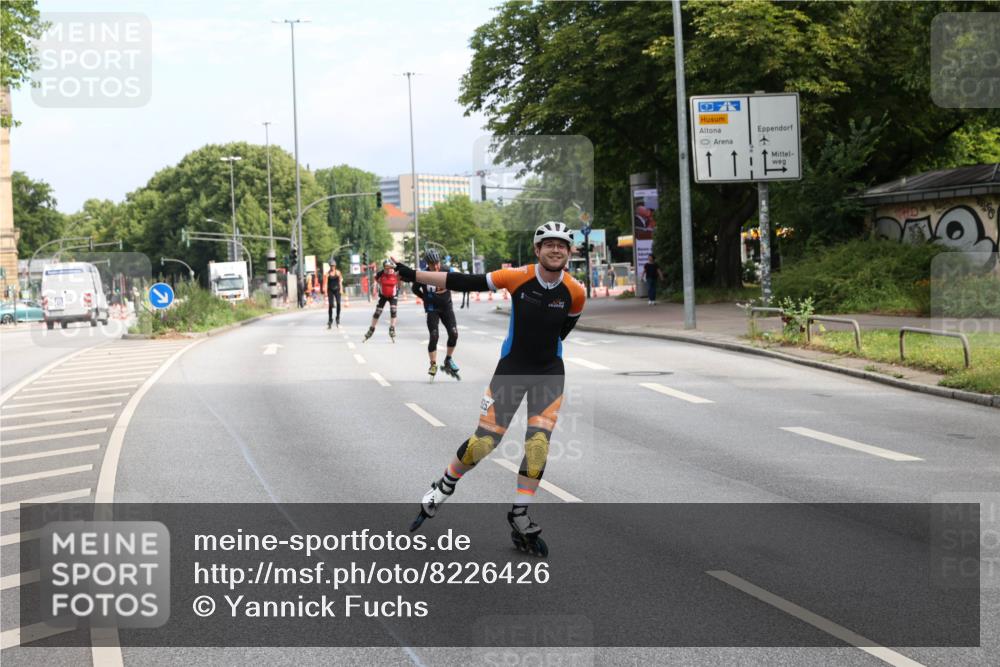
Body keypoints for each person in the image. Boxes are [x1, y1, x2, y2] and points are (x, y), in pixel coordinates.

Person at [395, 221, 586, 557]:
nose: (555, 249)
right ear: (537, 250)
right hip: (511, 370)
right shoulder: (518, 277)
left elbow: (562, 330)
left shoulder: (576, 292)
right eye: (549, 244)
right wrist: (414, 276)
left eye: (562, 245)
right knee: (484, 444)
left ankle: (520, 514)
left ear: (570, 253)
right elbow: (463, 281)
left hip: (549, 373)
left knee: (538, 444)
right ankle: (444, 486)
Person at [412, 248, 460, 381]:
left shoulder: (446, 270)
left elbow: (458, 281)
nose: (436, 266)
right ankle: (433, 364)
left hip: (446, 307)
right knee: (434, 335)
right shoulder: (423, 275)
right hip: (432, 308)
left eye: (438, 262)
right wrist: (424, 297)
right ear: (428, 264)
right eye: (433, 264)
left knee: (454, 333)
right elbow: (414, 288)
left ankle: (448, 360)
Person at [363, 260, 399, 342]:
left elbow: (400, 279)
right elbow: (376, 279)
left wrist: (398, 287)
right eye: (387, 268)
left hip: (393, 295)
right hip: (383, 295)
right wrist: (378, 286)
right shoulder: (381, 274)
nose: (388, 270)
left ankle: (392, 328)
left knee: (393, 310)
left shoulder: (395, 273)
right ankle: (372, 328)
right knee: (378, 312)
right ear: (384, 268)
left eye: (390, 268)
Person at [326, 261, 344, 329]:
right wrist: (325, 292)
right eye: (331, 266)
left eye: (333, 266)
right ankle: (330, 320)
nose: (332, 267)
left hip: (337, 289)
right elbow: (325, 283)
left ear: (335, 266)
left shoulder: (338, 272)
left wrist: (341, 289)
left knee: (339, 303)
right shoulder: (327, 274)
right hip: (330, 290)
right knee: (330, 305)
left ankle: (337, 319)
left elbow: (340, 281)